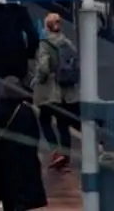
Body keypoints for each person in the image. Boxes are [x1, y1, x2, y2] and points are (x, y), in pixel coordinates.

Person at [0, 76, 47, 211]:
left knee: (7, 196)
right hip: (24, 160)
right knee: (22, 194)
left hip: (3, 161)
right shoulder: (27, 110)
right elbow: (35, 136)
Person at [32, 13, 80, 171]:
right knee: (63, 125)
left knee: (44, 120)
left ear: (47, 27)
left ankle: (55, 151)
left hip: (51, 92)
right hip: (67, 92)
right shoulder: (67, 42)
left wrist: (37, 79)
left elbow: (44, 68)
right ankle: (65, 159)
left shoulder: (45, 44)